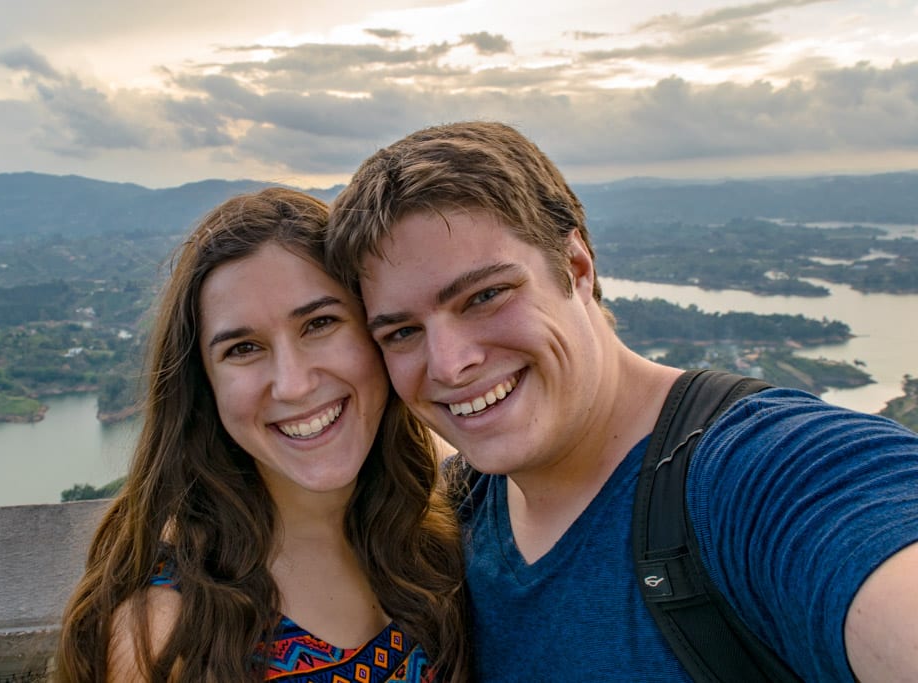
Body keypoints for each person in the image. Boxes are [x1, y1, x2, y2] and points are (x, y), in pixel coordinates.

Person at [325, 121, 918, 682]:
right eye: (401, 332)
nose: (450, 364)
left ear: (576, 266)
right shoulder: (457, 513)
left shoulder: (760, 475)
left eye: (485, 296)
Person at [55, 188, 469, 682]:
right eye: (243, 348)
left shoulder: (435, 520)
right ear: (204, 386)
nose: (293, 384)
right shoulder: (168, 634)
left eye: (320, 323)